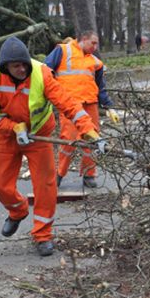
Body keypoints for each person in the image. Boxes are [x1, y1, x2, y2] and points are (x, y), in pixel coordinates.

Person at [0, 36, 105, 257]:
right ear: (5, 66)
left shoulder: (42, 73)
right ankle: (17, 211)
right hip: (6, 135)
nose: (22, 69)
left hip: (39, 134)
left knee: (46, 186)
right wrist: (13, 127)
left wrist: (88, 129)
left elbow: (67, 102)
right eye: (16, 66)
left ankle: (43, 235)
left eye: (24, 64)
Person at [44, 31, 119, 189]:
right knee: (68, 140)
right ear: (83, 40)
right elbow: (45, 72)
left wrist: (109, 107)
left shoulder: (95, 62)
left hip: (90, 103)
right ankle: (58, 174)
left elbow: (100, 87)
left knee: (92, 140)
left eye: (97, 43)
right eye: (93, 43)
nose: (95, 47)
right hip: (70, 104)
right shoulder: (63, 51)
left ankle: (89, 174)